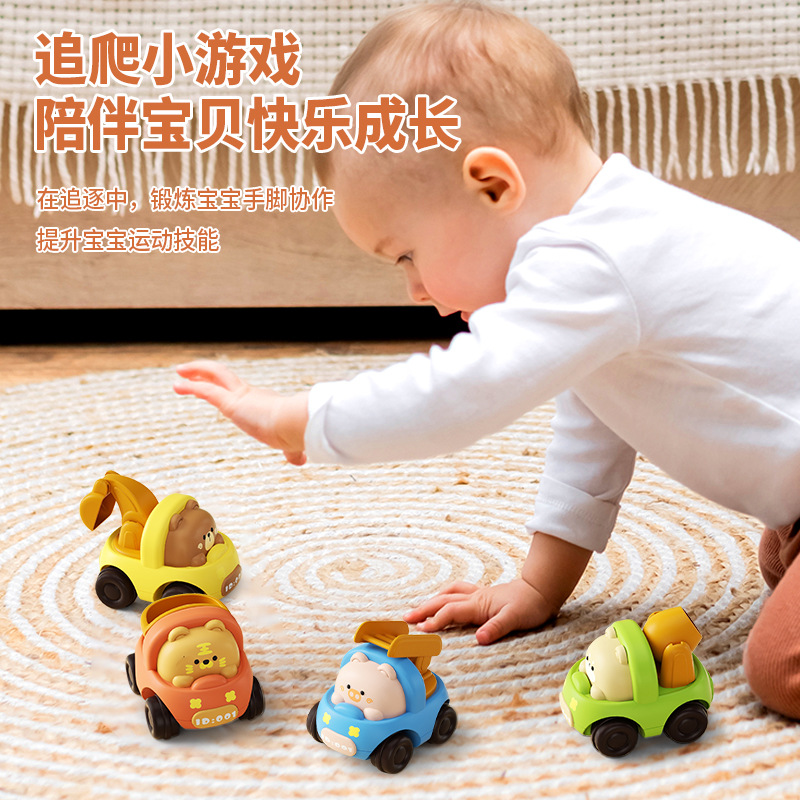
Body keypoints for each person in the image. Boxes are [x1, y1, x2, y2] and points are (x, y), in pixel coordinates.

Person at [173, 2, 800, 718]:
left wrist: (303, 418)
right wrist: (539, 585)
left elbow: (459, 395)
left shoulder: (591, 260)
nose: (414, 289)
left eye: (406, 254)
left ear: (493, 186)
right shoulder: (607, 255)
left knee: (778, 668)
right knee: (777, 560)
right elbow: (594, 432)